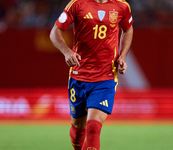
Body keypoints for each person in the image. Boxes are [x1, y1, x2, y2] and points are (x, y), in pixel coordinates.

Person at [50, 0, 133, 149]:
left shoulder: (122, 6)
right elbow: (54, 32)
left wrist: (123, 56)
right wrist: (67, 52)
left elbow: (128, 29)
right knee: (77, 132)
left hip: (105, 78)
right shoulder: (77, 4)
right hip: (78, 76)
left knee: (93, 128)